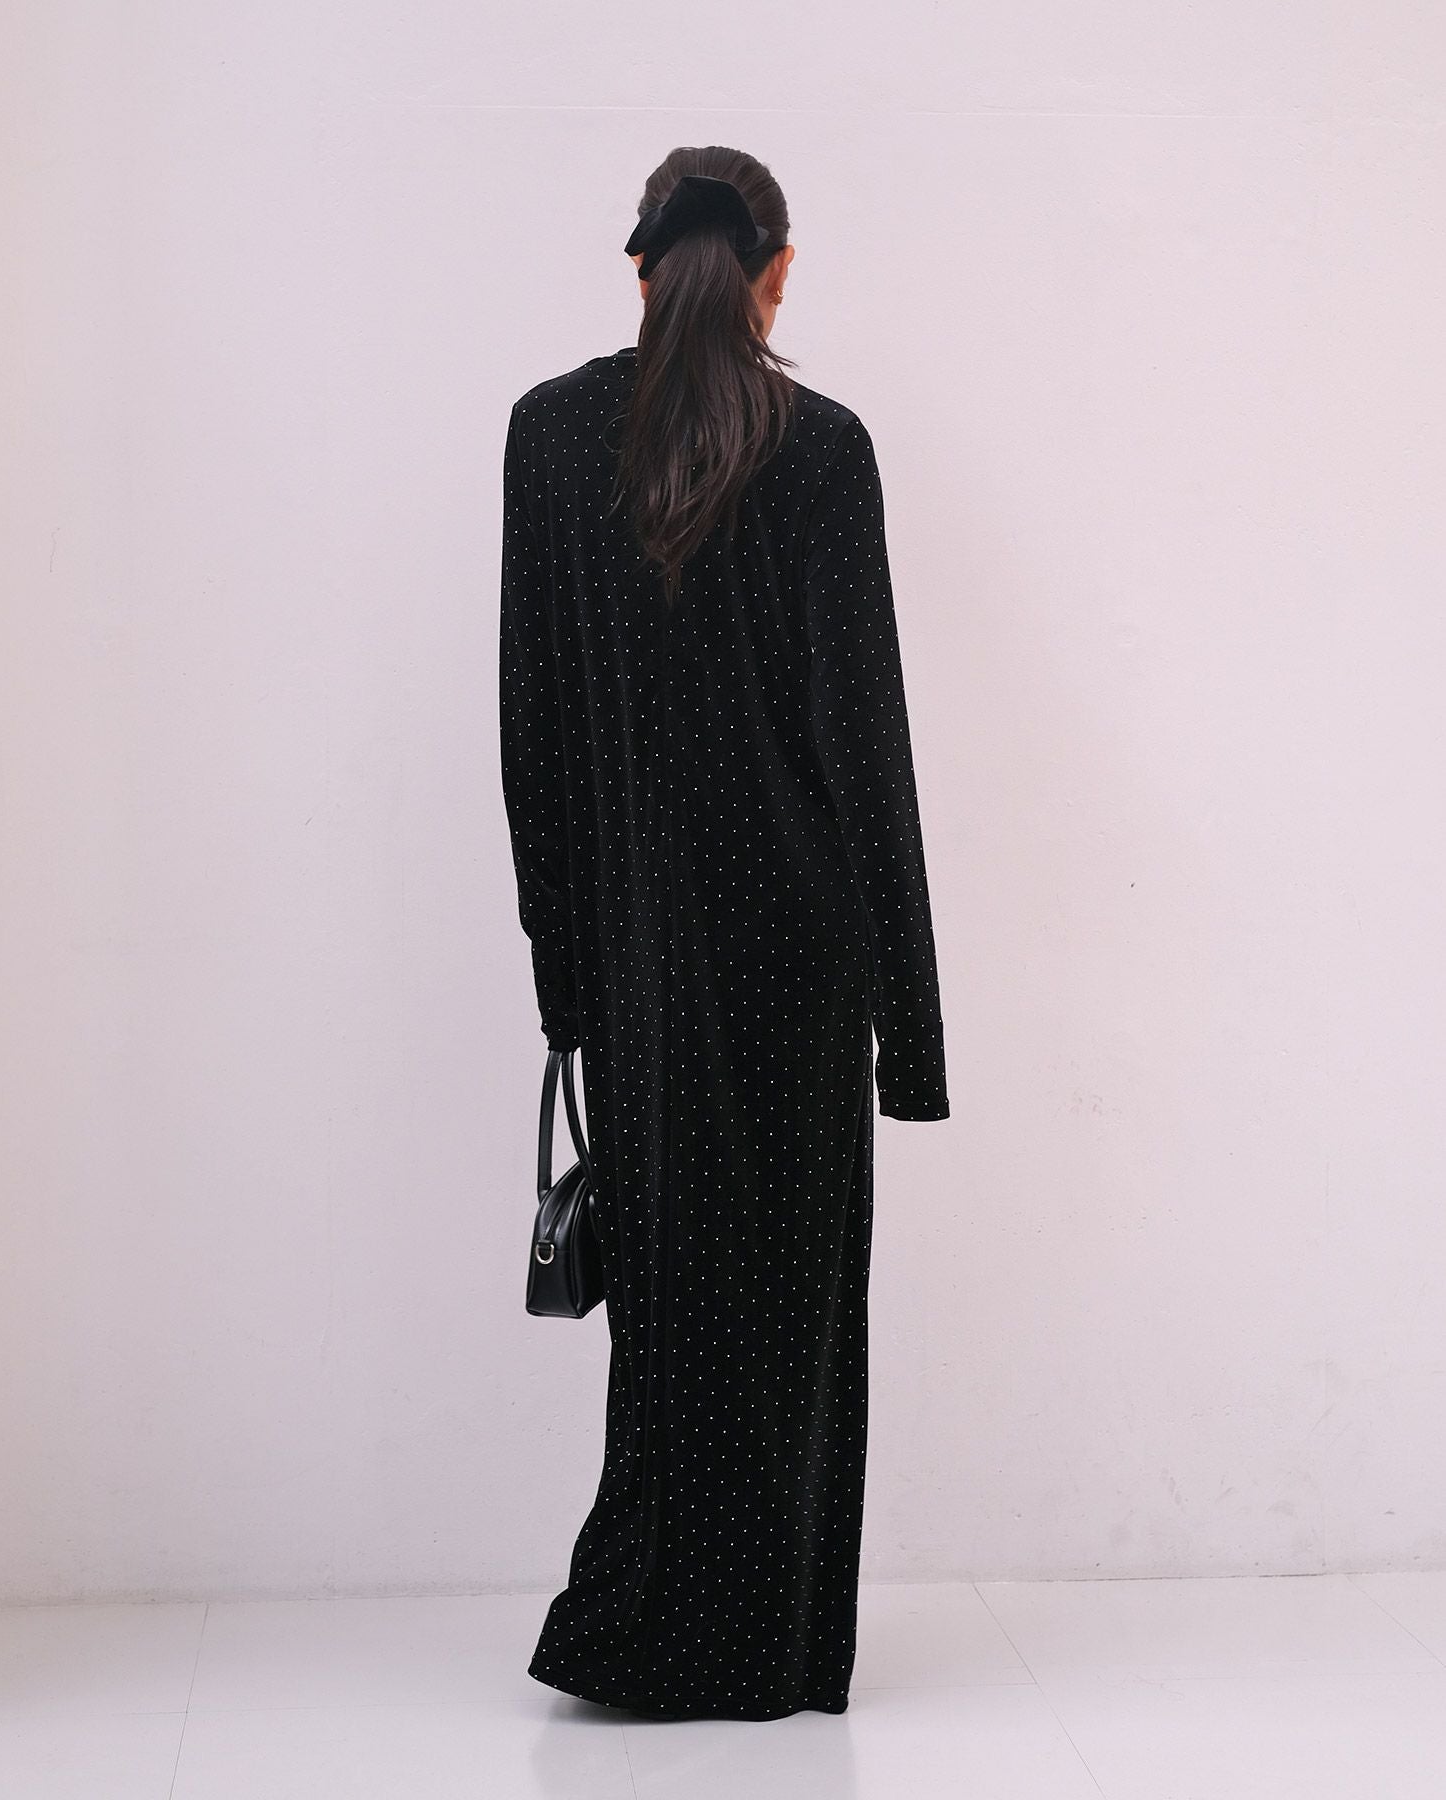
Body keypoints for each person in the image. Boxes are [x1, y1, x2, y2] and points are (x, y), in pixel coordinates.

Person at [499, 145, 952, 1723]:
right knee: (792, 1317)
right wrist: (910, 1034)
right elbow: (866, 749)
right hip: (802, 963)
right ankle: (769, 1645)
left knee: (673, 1308)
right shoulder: (825, 452)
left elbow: (534, 738)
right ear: (778, 271)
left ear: (639, 268)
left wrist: (567, 985)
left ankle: (644, 1626)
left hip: (638, 963)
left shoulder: (553, 437)